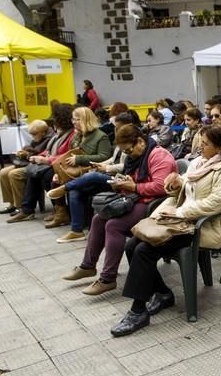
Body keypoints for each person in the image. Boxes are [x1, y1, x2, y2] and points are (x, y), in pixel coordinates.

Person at [110, 124, 221, 336]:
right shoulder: (199, 162)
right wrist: (174, 183)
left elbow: (214, 203)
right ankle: (162, 293)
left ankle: (138, 311)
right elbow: (184, 188)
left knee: (144, 250)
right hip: (180, 221)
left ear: (220, 148)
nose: (199, 147)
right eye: (200, 142)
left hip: (200, 227)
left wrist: (180, 213)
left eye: (205, 144)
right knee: (132, 245)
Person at [61, 124, 176, 295]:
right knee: (98, 219)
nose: (128, 155)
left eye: (129, 151)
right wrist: (122, 183)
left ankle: (108, 278)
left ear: (140, 142)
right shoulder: (136, 156)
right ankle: (88, 266)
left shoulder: (159, 156)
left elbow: (161, 187)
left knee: (114, 225)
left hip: (155, 204)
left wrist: (134, 187)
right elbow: (135, 179)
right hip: (137, 198)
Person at [44, 106, 112, 229]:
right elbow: (68, 156)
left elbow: (105, 157)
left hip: (91, 172)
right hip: (75, 172)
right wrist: (59, 173)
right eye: (73, 119)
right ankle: (62, 215)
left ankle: (76, 228)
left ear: (86, 120)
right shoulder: (77, 137)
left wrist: (79, 159)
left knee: (74, 190)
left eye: (77, 119)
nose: (74, 122)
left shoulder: (101, 136)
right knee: (54, 180)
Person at [6, 104, 76, 223]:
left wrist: (46, 159)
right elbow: (48, 150)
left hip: (63, 166)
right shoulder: (60, 133)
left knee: (43, 174)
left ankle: (57, 210)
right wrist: (40, 156)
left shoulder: (71, 135)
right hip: (53, 163)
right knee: (36, 173)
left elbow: (67, 154)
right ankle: (27, 209)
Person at [0, 120, 55, 215]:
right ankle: (12, 203)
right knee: (3, 172)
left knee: (14, 174)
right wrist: (24, 152)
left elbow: (41, 155)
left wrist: (27, 154)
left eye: (34, 134)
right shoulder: (40, 136)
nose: (32, 136)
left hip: (39, 166)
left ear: (42, 132)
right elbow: (32, 148)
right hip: (29, 163)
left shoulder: (49, 139)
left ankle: (20, 206)